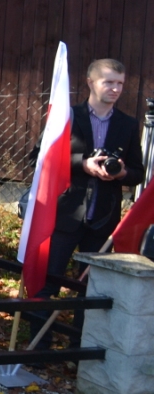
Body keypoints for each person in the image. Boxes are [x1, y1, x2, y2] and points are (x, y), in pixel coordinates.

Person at [30, 58, 143, 348]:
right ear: (91, 82)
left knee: (91, 288)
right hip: (64, 215)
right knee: (47, 282)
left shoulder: (128, 124)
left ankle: (79, 350)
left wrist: (120, 173)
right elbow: (39, 158)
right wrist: (82, 164)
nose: (115, 88)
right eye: (109, 82)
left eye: (120, 83)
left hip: (103, 219)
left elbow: (137, 172)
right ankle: (38, 351)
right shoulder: (67, 116)